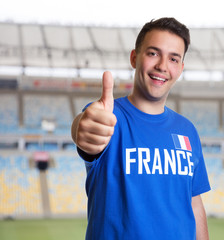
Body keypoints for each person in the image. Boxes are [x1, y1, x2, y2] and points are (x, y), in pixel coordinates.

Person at [71, 17, 211, 240]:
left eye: (173, 59)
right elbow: (87, 128)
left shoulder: (187, 130)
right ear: (134, 57)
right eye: (153, 53)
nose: (162, 66)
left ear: (181, 68)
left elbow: (193, 203)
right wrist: (82, 127)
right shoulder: (107, 117)